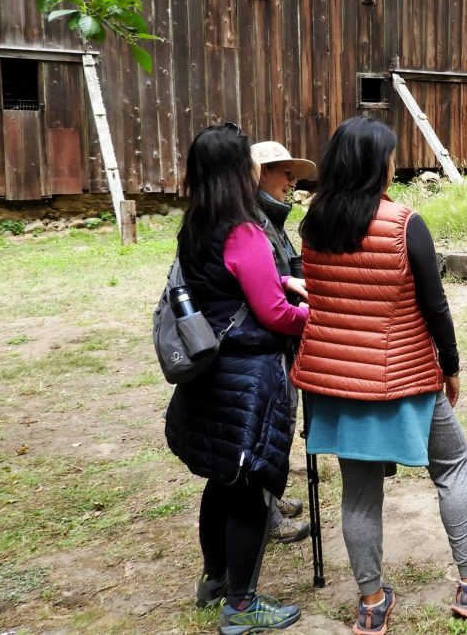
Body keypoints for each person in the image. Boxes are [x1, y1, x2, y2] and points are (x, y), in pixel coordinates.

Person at [292, 116, 467, 635]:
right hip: (406, 376)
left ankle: (371, 603)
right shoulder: (403, 223)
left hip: (338, 378)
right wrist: (452, 365)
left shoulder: (314, 223)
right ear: (378, 165)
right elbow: (435, 304)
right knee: (454, 464)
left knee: (358, 491)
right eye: (391, 155)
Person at [163, 123, 308, 635]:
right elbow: (272, 311)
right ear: (237, 170)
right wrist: (313, 317)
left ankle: (214, 579)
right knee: (248, 489)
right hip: (247, 376)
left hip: (208, 372)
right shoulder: (243, 230)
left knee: (221, 479)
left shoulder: (194, 225)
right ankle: (242, 607)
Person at [250, 139, 317, 545]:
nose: (292, 181)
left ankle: (269, 501)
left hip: (280, 341)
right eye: (284, 171)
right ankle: (264, 516)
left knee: (279, 424)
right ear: (259, 173)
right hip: (267, 344)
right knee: (267, 427)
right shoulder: (254, 223)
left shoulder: (271, 219)